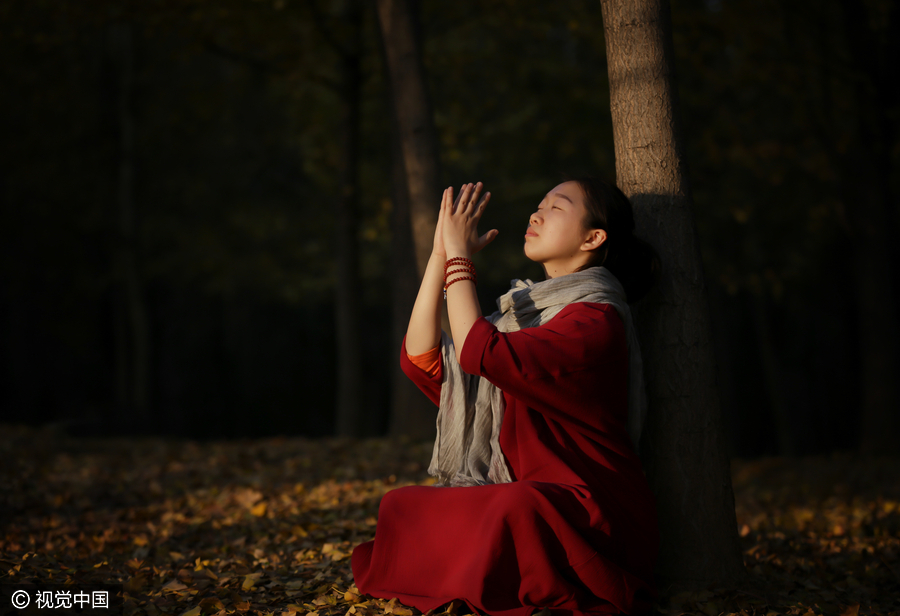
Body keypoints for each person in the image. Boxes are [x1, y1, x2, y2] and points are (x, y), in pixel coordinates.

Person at [351, 177, 661, 616]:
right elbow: (420, 358)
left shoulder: (596, 322)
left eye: (557, 207)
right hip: (522, 496)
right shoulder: (521, 317)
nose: (535, 214)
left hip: (590, 511)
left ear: (593, 238)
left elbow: (479, 351)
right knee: (400, 504)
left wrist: (461, 258)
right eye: (539, 204)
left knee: (515, 506)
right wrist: (441, 256)